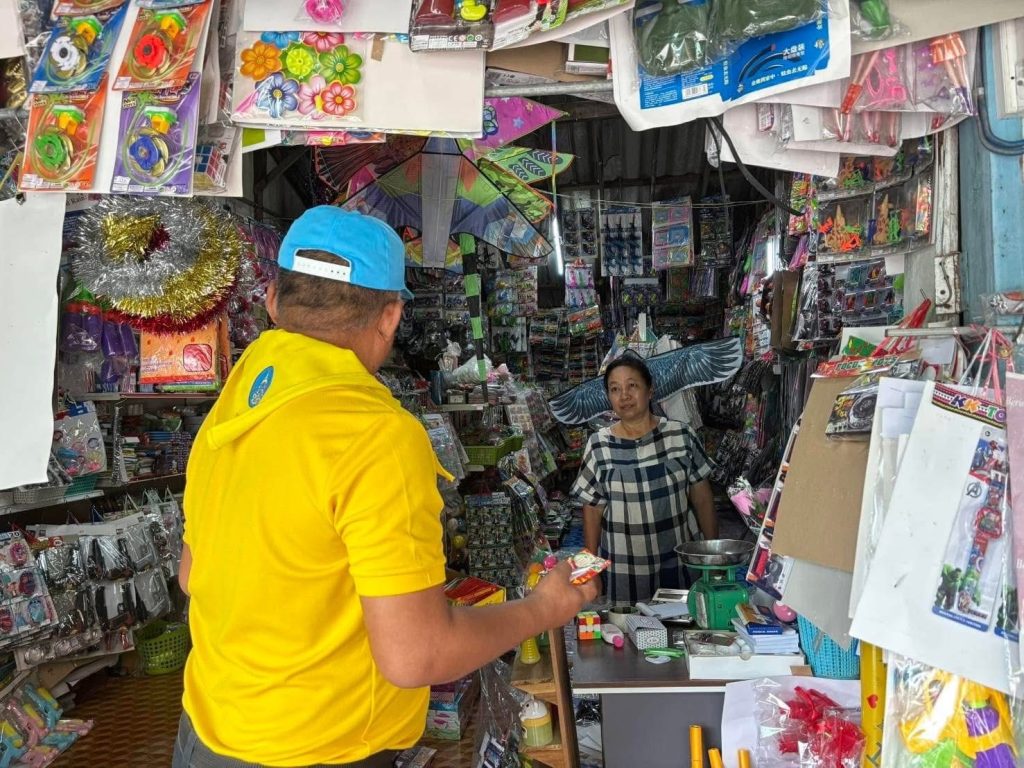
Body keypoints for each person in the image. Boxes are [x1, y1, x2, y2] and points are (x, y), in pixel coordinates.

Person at [175, 206, 598, 768]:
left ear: (273, 300)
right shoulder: (375, 434)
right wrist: (543, 608)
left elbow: (193, 575)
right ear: (391, 315)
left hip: (207, 731)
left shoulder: (237, 400)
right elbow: (417, 654)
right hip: (320, 747)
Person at [571, 354, 718, 605]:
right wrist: (589, 571)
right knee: (625, 627)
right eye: (615, 389)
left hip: (679, 562)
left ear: (650, 390)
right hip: (624, 569)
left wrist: (713, 557)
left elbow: (703, 499)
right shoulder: (598, 446)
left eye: (632, 386)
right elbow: (592, 511)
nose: (624, 396)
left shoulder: (681, 435)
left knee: (683, 623)